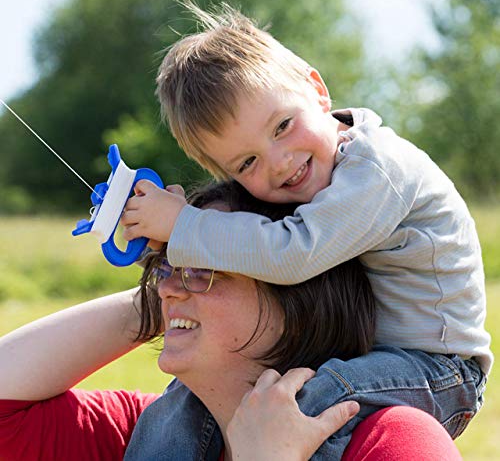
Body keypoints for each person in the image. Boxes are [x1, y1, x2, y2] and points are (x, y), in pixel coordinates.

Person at [119, 1, 491, 455]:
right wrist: (163, 240)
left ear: (318, 90)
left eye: (282, 126)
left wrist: (183, 225)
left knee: (301, 404)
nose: (279, 162)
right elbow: (245, 241)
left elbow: (290, 253)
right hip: (370, 358)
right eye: (247, 162)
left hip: (438, 368)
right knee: (178, 404)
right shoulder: (306, 181)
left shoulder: (378, 170)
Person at [0, 181, 462, 460]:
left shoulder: (391, 440)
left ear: (299, 299)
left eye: (205, 268)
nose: (168, 286)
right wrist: (166, 279)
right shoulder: (148, 432)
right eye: (167, 269)